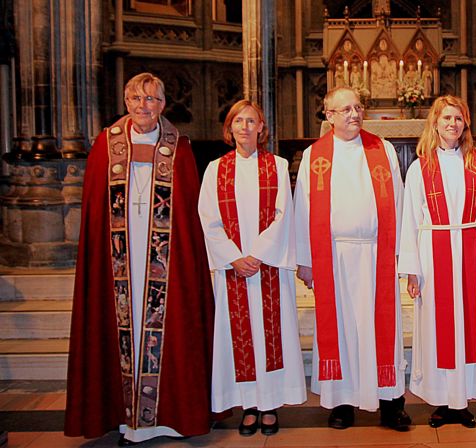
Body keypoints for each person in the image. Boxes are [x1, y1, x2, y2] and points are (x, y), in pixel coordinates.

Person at [64, 72, 214, 445]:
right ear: (126, 103)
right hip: (119, 259)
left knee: (171, 332)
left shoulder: (178, 146)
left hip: (165, 261)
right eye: (135, 99)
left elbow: (189, 213)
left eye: (150, 99)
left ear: (163, 105)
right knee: (118, 330)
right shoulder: (106, 144)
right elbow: (96, 210)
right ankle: (125, 420)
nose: (143, 107)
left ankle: (168, 418)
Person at [294, 86, 410, 431]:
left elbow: (399, 202)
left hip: (377, 254)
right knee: (341, 329)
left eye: (358, 107)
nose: (354, 114)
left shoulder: (382, 149)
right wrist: (306, 259)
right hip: (335, 258)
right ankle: (341, 403)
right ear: (328, 115)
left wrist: (401, 252)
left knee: (383, 330)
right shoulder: (315, 156)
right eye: (345, 110)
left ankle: (391, 403)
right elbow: (303, 209)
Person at [198, 100, 307, 436]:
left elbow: (282, 214)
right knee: (239, 337)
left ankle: (270, 403)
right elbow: (208, 217)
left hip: (267, 267)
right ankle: (248, 404)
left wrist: (257, 255)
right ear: (229, 128)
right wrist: (234, 257)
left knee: (269, 336)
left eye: (252, 121)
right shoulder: (216, 168)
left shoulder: (276, 165)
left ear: (262, 127)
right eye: (238, 121)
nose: (244, 127)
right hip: (233, 269)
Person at [398, 95, 476, 428]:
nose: (452, 124)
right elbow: (411, 220)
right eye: (446, 118)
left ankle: (464, 399)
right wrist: (412, 270)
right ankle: (443, 400)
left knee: (471, 325)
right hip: (434, 253)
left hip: (473, 250)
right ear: (435, 122)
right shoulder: (420, 166)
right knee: (438, 327)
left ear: (466, 124)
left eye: (458, 119)